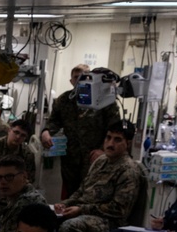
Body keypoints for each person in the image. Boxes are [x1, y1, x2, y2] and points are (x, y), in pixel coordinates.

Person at [54, 121, 144, 232]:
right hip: (84, 213)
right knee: (45, 217)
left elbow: (118, 210)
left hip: (108, 222)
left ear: (128, 144)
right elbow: (82, 190)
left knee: (70, 227)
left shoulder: (128, 170)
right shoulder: (100, 161)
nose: (110, 143)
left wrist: (81, 209)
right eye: (108, 138)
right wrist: (65, 204)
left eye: (117, 140)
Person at [40, 64, 121, 196]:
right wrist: (46, 131)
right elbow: (54, 120)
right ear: (71, 81)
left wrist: (103, 150)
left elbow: (114, 128)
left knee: (92, 193)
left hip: (95, 157)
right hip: (71, 159)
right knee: (72, 193)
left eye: (84, 76)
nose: (79, 80)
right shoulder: (64, 100)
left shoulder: (104, 100)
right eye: (76, 77)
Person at [0, 118, 37, 184]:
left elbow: (30, 177)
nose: (18, 137)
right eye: (16, 132)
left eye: (23, 135)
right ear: (9, 130)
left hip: (17, 187)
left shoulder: (27, 153)